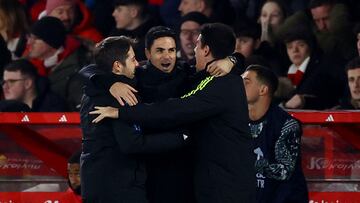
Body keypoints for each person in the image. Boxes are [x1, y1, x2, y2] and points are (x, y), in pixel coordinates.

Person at [90, 23, 256, 203]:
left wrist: (233, 59)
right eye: (159, 50)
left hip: (197, 175)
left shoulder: (189, 74)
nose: (167, 56)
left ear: (206, 50)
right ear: (147, 54)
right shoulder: (134, 78)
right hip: (152, 171)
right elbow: (90, 71)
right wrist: (110, 83)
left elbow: (174, 109)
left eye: (171, 50)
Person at [80, 36, 187, 202]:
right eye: (132, 59)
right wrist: (179, 138)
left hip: (95, 183)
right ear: (117, 66)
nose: (137, 64)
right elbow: (133, 143)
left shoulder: (91, 92)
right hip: (120, 186)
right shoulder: (123, 95)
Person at [242, 65, 309, 203]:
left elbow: (284, 170)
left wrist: (246, 163)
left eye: (246, 82)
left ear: (263, 89)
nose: (239, 85)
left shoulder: (286, 125)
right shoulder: (237, 121)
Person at [25, 16, 92, 110]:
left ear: (50, 42)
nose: (29, 43)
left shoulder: (78, 68)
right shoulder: (31, 67)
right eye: (29, 37)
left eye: (35, 39)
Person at [2, 59, 67, 112]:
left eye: (11, 81)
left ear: (28, 83)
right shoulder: (5, 109)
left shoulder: (53, 106)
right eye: (4, 82)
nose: (5, 87)